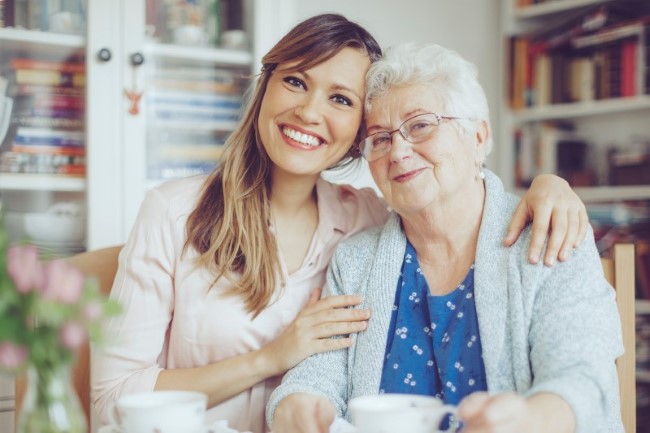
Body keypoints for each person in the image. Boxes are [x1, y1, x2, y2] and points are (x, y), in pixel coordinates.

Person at [93, 14, 590, 433]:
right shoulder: (173, 211)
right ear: (265, 86)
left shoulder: (368, 222)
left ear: (357, 134)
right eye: (295, 81)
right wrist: (272, 357)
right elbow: (110, 399)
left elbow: (447, 186)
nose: (308, 111)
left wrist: (550, 184)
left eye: (341, 99)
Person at [267, 42, 623, 433]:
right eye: (381, 139)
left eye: (420, 125)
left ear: (478, 137)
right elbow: (315, 378)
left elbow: (583, 377)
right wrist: (295, 407)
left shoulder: (547, 231)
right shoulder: (355, 259)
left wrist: (532, 419)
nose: (399, 152)